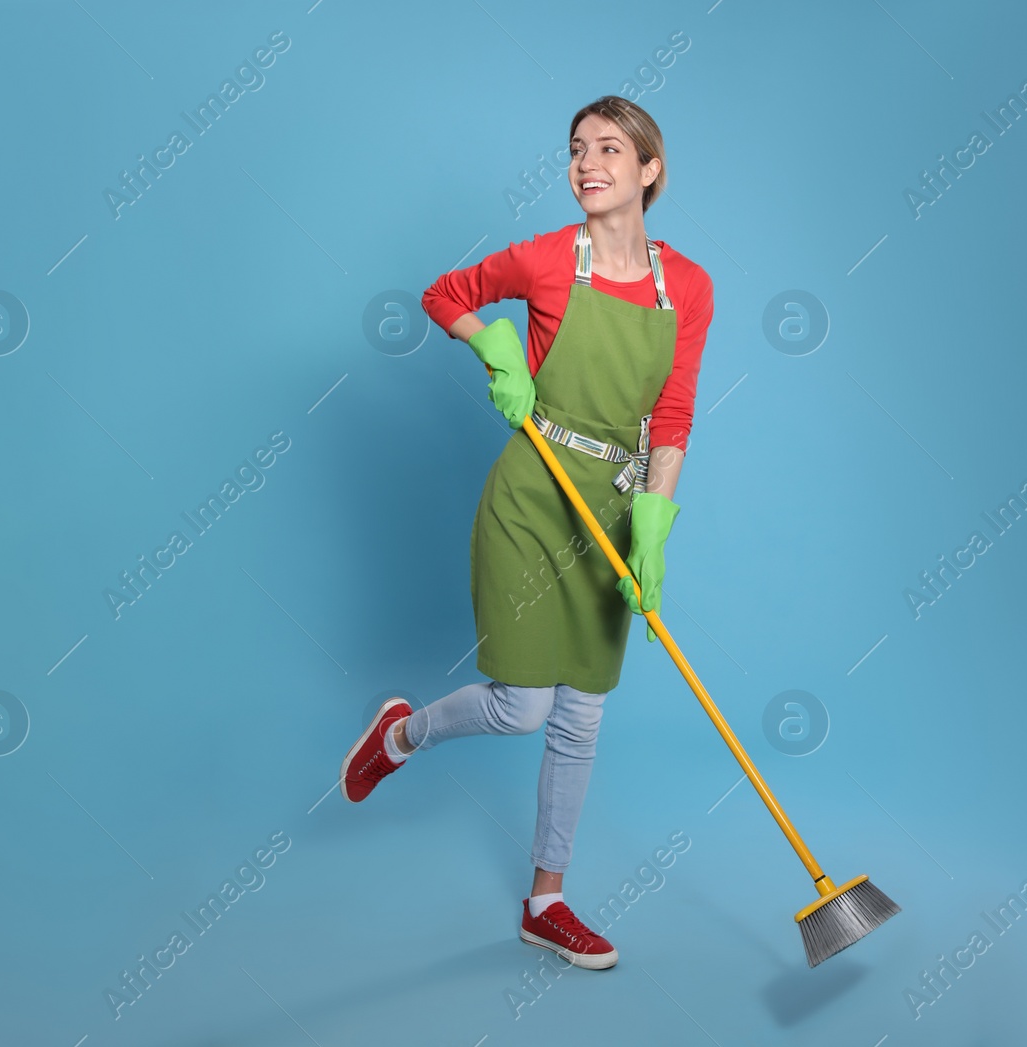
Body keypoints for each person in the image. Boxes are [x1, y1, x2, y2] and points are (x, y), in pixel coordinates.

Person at [338, 95, 714, 970]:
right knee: (523, 706)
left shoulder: (685, 285)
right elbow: (445, 293)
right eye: (577, 148)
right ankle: (399, 736)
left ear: (650, 171)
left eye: (610, 149)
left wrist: (652, 528)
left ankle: (545, 901)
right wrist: (495, 350)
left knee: (582, 716)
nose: (587, 163)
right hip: (533, 501)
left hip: (613, 512)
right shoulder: (551, 257)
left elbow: (673, 412)